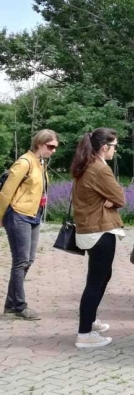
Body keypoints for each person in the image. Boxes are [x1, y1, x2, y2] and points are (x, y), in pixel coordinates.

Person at [71, 128, 127, 349]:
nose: (115, 150)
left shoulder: (85, 164)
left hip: (88, 228)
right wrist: (112, 200)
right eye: (114, 146)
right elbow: (121, 197)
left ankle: (90, 321)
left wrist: (109, 200)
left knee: (101, 277)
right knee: (96, 281)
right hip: (99, 229)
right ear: (105, 147)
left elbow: (111, 197)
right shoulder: (99, 169)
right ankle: (84, 334)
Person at [0, 129, 58, 321]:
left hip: (33, 216)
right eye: (50, 146)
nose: (53, 151)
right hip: (18, 215)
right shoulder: (24, 162)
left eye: (55, 147)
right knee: (21, 261)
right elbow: (6, 192)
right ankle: (19, 306)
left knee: (28, 260)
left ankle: (10, 304)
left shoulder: (40, 164)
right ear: (39, 144)